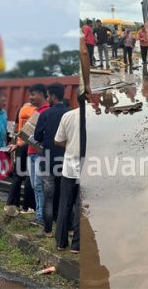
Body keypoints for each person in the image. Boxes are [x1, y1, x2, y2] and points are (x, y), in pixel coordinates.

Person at [34, 83, 69, 237]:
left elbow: (37, 137)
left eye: (48, 96)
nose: (48, 99)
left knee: (48, 197)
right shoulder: (70, 114)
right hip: (65, 161)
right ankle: (68, 229)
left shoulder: (46, 114)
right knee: (65, 197)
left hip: (48, 161)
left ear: (53, 96)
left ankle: (48, 230)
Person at [54, 107, 81, 253]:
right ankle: (76, 246)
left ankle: (61, 243)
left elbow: (58, 141)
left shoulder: (68, 116)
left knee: (65, 205)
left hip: (69, 168)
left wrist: (70, 145)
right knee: (81, 208)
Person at [5, 103, 36, 213]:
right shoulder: (38, 111)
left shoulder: (22, 109)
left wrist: (15, 142)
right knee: (29, 176)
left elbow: (15, 128)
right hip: (31, 147)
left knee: (17, 176)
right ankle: (27, 207)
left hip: (20, 145)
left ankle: (11, 203)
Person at [27, 84, 50, 226]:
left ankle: (41, 217)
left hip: (40, 153)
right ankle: (39, 214)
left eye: (33, 94)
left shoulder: (46, 112)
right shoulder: (37, 111)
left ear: (42, 94)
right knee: (35, 186)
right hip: (32, 152)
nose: (30, 98)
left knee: (39, 185)